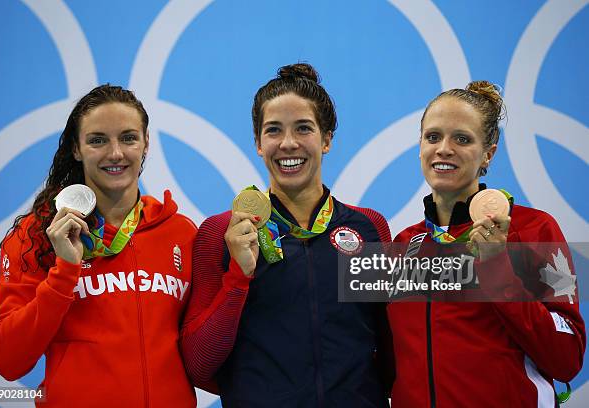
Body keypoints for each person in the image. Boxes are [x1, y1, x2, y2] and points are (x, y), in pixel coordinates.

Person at [182, 63, 393, 407]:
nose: (288, 143)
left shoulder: (366, 228)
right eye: (274, 130)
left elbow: (391, 351)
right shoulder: (222, 233)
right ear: (258, 143)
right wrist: (239, 278)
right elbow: (199, 364)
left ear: (326, 139)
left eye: (304, 129)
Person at [0, 85, 197, 407]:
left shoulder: (179, 233)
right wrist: (64, 274)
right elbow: (6, 359)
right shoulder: (39, 235)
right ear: (76, 148)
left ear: (146, 145)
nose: (115, 153)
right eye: (98, 140)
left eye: (128, 138)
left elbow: (203, 351)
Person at [386, 81, 586, 407]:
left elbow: (567, 357)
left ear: (487, 154)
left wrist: (497, 267)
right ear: (420, 147)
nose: (444, 149)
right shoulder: (406, 244)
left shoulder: (534, 230)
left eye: (462, 139)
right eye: (432, 137)